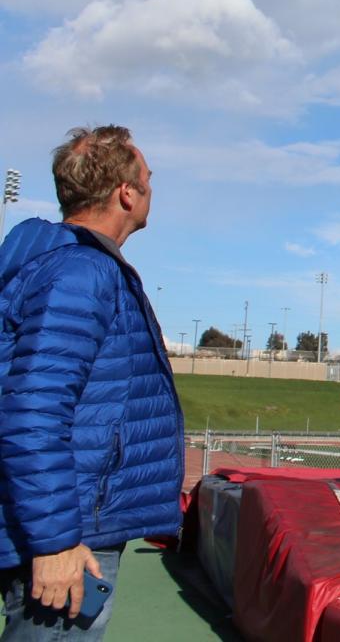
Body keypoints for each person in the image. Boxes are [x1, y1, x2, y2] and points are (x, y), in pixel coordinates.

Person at [0, 126, 184, 638]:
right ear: (127, 193)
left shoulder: (63, 265)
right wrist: (55, 541)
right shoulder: (82, 272)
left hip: (63, 516)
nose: (150, 189)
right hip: (68, 531)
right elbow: (34, 410)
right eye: (148, 179)